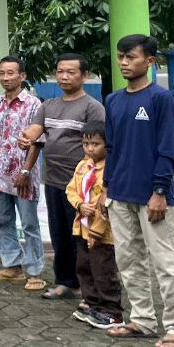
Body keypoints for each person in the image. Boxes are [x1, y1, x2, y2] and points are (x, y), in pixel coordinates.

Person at [103, 34, 174, 347]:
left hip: (153, 196)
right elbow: (111, 149)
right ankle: (141, 320)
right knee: (128, 260)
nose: (124, 62)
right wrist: (106, 189)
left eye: (131, 57)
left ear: (150, 61)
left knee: (167, 263)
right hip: (120, 193)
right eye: (121, 57)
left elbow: (168, 149)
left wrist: (159, 191)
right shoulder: (113, 100)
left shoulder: (161, 99)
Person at [18, 53, 106, 301]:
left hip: (82, 186)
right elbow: (36, 129)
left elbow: (100, 146)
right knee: (59, 235)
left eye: (71, 72)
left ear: (84, 75)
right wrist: (27, 137)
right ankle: (65, 282)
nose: (64, 76)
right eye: (60, 71)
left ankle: (87, 286)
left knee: (80, 235)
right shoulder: (49, 105)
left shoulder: (92, 107)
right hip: (54, 180)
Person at [0, 56, 45, 291]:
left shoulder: (34, 105)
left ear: (22, 76)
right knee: (4, 221)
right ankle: (12, 266)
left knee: (29, 224)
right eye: (2, 73)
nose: (5, 77)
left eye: (11, 73)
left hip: (24, 177)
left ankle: (34, 271)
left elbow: (38, 142)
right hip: (0, 176)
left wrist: (26, 170)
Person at [64, 121, 123, 330]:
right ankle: (92, 303)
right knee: (84, 267)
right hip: (81, 226)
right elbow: (71, 189)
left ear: (107, 145)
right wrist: (79, 205)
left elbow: (105, 205)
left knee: (103, 270)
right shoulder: (83, 166)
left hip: (102, 233)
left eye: (96, 144)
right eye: (86, 144)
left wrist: (96, 231)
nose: (90, 149)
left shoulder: (109, 171)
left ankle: (112, 311)